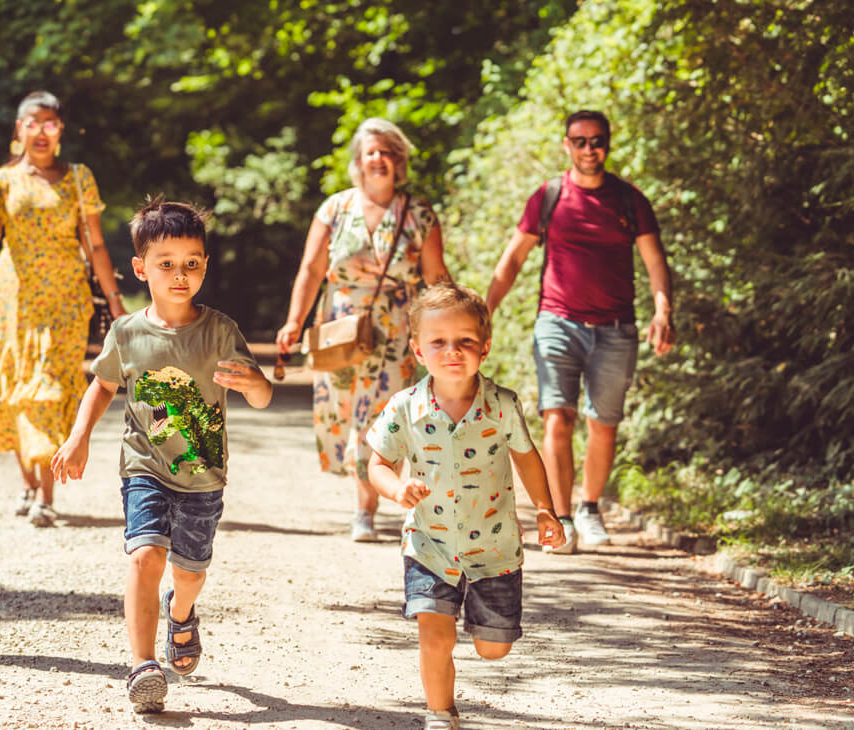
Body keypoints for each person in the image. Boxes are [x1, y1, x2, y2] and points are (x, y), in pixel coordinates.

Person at [51, 199, 273, 714]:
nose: (180, 274)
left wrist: (256, 382)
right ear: (141, 267)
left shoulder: (220, 330)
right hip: (144, 467)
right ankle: (142, 665)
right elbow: (102, 387)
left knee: (190, 572)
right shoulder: (127, 332)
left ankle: (183, 612)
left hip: (203, 476)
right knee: (145, 555)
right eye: (166, 263)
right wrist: (79, 436)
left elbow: (261, 398)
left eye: (191, 262)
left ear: (204, 266)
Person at [365, 282, 565, 730]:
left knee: (494, 647)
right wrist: (397, 489)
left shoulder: (502, 405)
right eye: (438, 342)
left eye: (465, 342)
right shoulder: (404, 408)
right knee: (435, 635)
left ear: (485, 347)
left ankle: (486, 629)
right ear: (418, 350)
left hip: (495, 549)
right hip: (429, 545)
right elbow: (378, 463)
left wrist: (547, 510)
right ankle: (441, 714)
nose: (452, 351)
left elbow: (528, 459)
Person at [486, 110, 674, 554]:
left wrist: (662, 311)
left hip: (616, 328)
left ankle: (589, 506)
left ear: (607, 144)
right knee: (557, 416)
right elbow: (513, 259)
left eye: (598, 140)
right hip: (557, 321)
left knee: (603, 422)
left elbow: (654, 262)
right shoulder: (549, 197)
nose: (590, 149)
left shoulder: (629, 200)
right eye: (580, 141)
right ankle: (563, 517)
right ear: (567, 145)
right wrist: (485, 310)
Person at [276, 117, 451, 542]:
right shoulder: (335, 208)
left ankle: (368, 509)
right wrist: (295, 321)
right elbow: (312, 268)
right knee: (350, 412)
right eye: (371, 152)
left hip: (399, 330)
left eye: (387, 152)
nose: (379, 159)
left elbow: (436, 276)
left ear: (399, 161)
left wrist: (455, 325)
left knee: (387, 416)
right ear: (359, 160)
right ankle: (367, 506)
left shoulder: (420, 213)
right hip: (342, 326)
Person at [0, 90, 126, 527]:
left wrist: (114, 300)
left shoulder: (78, 177)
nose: (41, 132)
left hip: (67, 299)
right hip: (13, 299)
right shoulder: (0, 179)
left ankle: (47, 494)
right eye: (32, 124)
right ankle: (30, 482)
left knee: (52, 383)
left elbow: (94, 242)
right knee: (17, 379)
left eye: (50, 124)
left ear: (60, 131)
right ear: (19, 130)